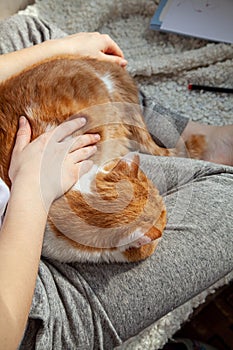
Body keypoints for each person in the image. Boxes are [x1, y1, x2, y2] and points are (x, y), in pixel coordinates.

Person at [0, 14, 232, 350]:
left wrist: (62, 48)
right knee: (224, 194)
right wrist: (33, 187)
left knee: (33, 33)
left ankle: (186, 137)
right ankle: (163, 149)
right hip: (21, 297)